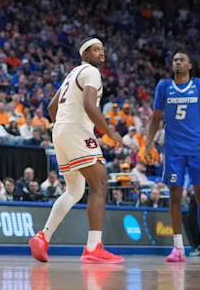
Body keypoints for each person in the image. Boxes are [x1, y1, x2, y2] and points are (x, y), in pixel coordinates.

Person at [28, 38, 123, 264]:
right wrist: (110, 133)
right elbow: (90, 106)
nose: (101, 53)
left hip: (60, 130)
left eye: (102, 49)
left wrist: (62, 129)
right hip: (75, 130)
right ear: (85, 54)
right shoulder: (91, 72)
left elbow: (52, 107)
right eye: (96, 50)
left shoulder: (72, 74)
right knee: (100, 183)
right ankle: (93, 248)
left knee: (74, 190)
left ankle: (43, 237)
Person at [146, 50, 200, 263]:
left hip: (197, 148)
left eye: (182, 60)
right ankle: (177, 247)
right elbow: (155, 119)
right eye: (175, 60)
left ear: (190, 65)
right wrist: (147, 144)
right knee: (175, 195)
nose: (177, 63)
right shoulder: (163, 87)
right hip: (173, 150)